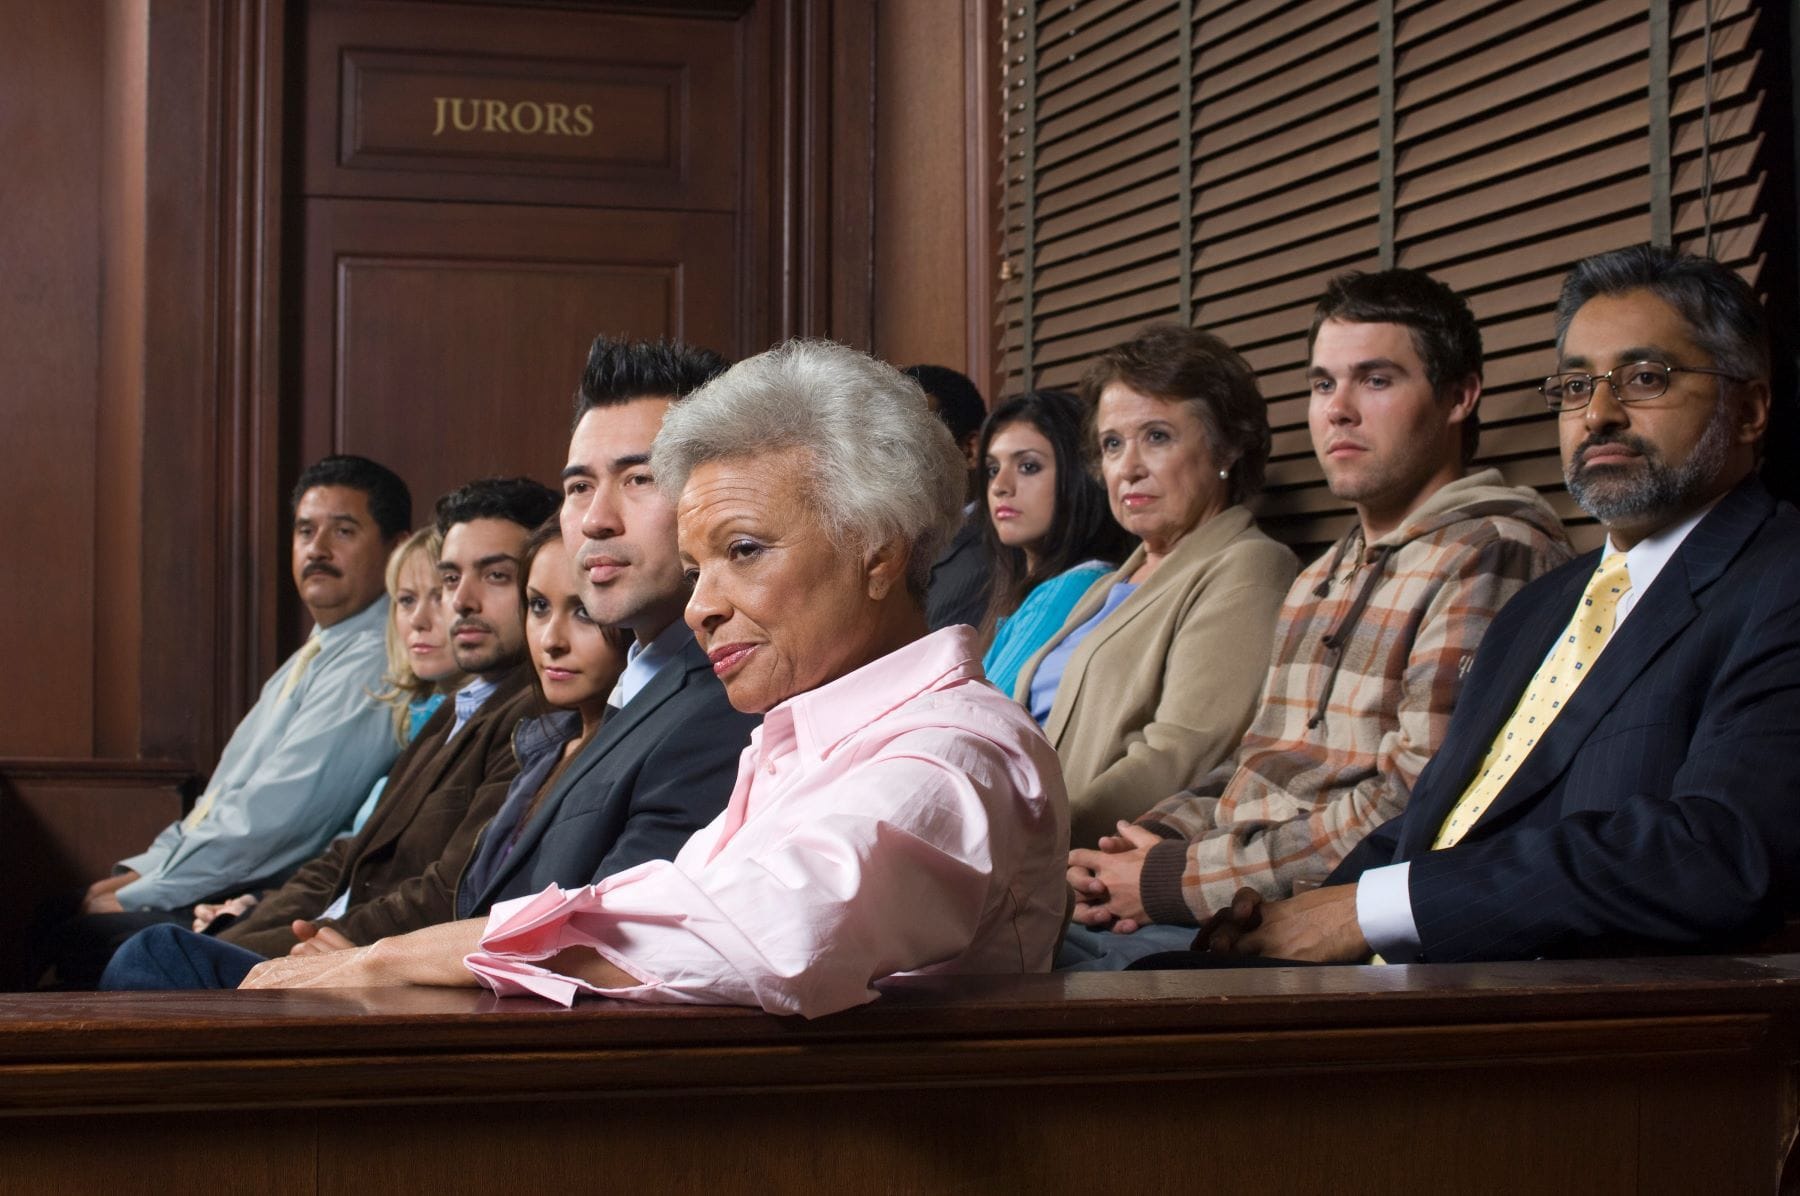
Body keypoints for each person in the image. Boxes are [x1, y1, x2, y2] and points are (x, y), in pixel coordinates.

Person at [238, 340, 1070, 1018]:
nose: (703, 606)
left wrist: (396, 959)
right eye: (697, 565)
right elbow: (661, 910)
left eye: (743, 551)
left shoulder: (954, 750)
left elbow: (762, 932)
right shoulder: (799, 739)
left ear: (879, 549)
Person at [1173, 245, 1800, 967]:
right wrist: (1286, 924)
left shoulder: (1778, 582)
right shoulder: (1542, 608)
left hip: (1546, 1031)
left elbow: (1719, 852)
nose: (1597, 414)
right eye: (1574, 385)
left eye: (1644, 378)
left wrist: (1372, 911)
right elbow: (1437, 821)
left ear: (1749, 409)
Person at [1059, 269, 1572, 969]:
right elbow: (1252, 768)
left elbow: (1414, 807)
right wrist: (1132, 844)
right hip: (1217, 899)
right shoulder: (1322, 572)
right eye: (1323, 385)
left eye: (1377, 380)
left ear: (1460, 396)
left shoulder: (1491, 551)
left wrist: (1168, 878)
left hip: (1319, 928)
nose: (1339, 411)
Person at [99, 478, 560, 986]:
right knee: (150, 950)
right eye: (451, 579)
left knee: (147, 954)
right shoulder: (457, 705)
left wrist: (307, 950)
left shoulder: (536, 713)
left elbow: (449, 889)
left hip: (369, 966)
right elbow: (347, 856)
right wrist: (243, 937)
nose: (462, 601)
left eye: (495, 575)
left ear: (541, 581)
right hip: (319, 943)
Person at [31, 455, 412, 987]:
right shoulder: (321, 650)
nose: (316, 550)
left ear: (397, 549)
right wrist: (143, 869)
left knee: (73, 934)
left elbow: (276, 821)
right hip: (232, 881)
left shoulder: (374, 660)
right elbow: (222, 803)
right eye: (305, 530)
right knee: (59, 910)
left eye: (343, 531)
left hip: (269, 894)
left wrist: (145, 889)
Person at [447, 335, 762, 919]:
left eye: (639, 479)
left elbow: (595, 942)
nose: (595, 520)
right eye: (579, 487)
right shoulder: (631, 685)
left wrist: (377, 962)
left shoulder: (734, 699)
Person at [1013, 325, 1298, 849]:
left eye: (1157, 437)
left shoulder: (1251, 566)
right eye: (1112, 444)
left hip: (1080, 863)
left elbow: (1181, 753)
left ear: (1227, 447)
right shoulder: (1118, 578)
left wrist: (1029, 842)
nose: (1128, 468)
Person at [192, 523, 469, 933]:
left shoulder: (469, 723)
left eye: (439, 597)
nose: (418, 621)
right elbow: (343, 859)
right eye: (405, 600)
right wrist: (257, 907)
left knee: (138, 948)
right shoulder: (417, 719)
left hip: (360, 940)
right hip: (314, 914)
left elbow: (413, 886)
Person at [977, 389, 1134, 698]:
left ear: (1080, 475)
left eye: (1028, 467)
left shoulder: (1076, 586)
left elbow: (985, 713)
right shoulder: (1024, 588)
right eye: (993, 469)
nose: (1000, 486)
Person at [908, 363, 993, 631]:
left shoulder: (989, 559)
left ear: (969, 451)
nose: (892, 459)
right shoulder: (877, 537)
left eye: (912, 441)